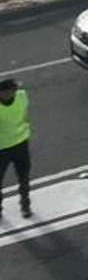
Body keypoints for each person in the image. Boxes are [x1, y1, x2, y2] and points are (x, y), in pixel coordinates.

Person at [0, 77, 31, 220]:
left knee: (24, 178)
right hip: (3, 149)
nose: (16, 91)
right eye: (13, 89)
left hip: (20, 144)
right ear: (3, 92)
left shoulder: (21, 96)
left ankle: (25, 206)